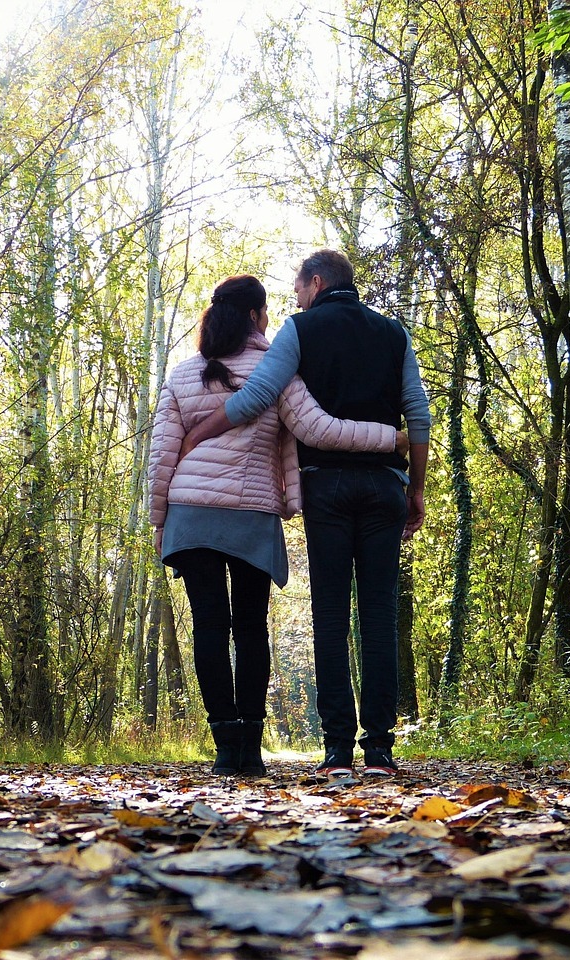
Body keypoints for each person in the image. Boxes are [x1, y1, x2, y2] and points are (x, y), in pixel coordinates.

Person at [180, 250, 430, 779]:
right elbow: (419, 414)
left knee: (332, 614)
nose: (293, 299)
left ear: (316, 282)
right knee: (380, 612)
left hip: (327, 488)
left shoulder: (300, 330)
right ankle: (380, 748)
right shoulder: (394, 333)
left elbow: (258, 397)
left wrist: (197, 436)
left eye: (297, 289)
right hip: (386, 481)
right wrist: (417, 489)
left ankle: (338, 747)